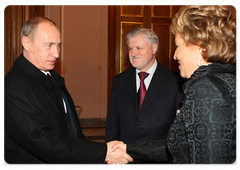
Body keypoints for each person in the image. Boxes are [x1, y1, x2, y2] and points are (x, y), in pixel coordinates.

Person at [109, 3, 237, 165]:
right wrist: (127, 149)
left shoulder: (206, 89)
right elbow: (180, 146)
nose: (175, 55)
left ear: (200, 48)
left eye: (177, 46)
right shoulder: (227, 78)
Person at [2, 16, 133, 165]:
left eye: (58, 45)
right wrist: (102, 152)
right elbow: (45, 143)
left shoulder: (49, 76)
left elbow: (71, 129)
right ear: (26, 43)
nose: (56, 53)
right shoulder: (15, 87)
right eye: (49, 45)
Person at [105, 27, 184, 147]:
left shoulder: (175, 82)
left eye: (138, 48)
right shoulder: (119, 81)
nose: (133, 53)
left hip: (159, 161)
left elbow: (180, 129)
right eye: (130, 48)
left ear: (154, 48)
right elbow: (112, 124)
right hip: (126, 159)